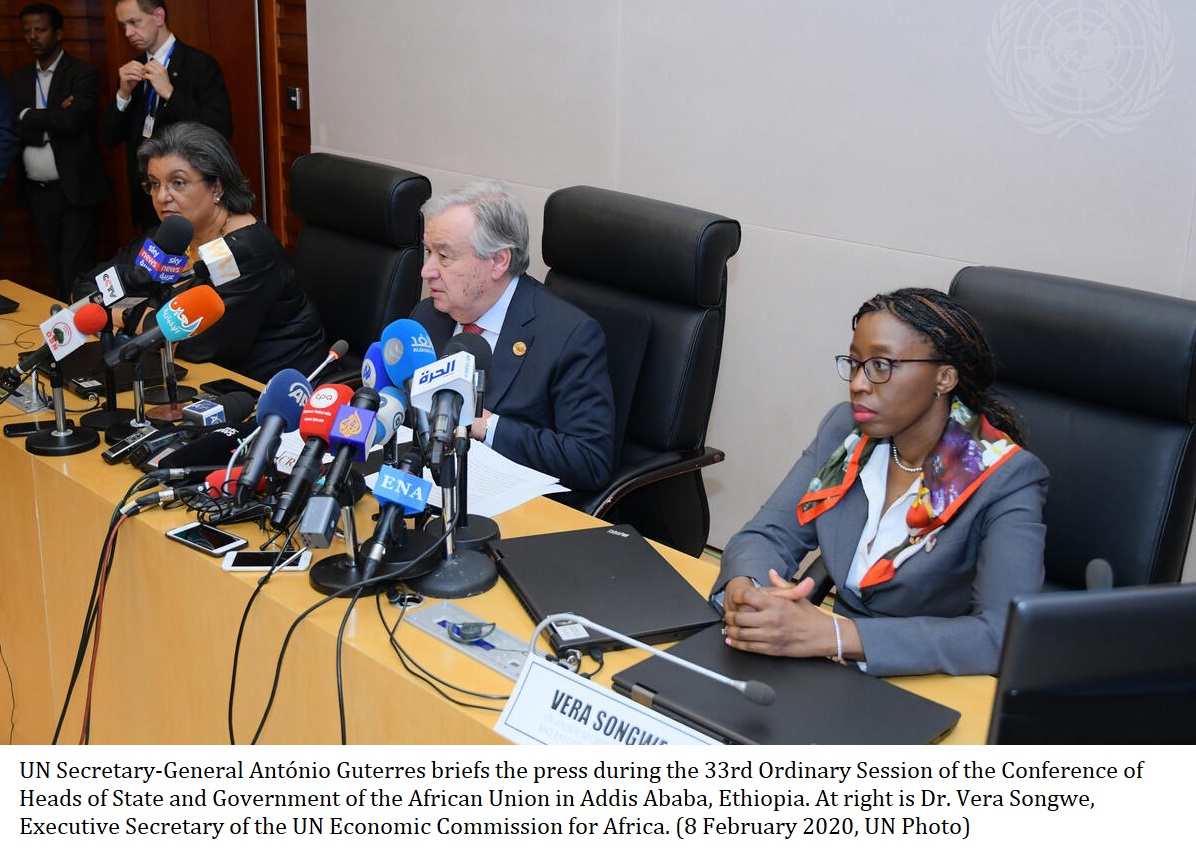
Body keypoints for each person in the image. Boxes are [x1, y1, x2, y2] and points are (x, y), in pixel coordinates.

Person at [712, 288, 1048, 677]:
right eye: (855, 364)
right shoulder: (845, 431)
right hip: (822, 667)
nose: (858, 383)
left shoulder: (1006, 477)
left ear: (944, 377)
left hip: (927, 679)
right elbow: (767, 536)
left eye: (880, 366)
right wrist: (746, 591)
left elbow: (1000, 636)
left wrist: (838, 635)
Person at [76, 122, 326, 382]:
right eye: (154, 183)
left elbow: (197, 345)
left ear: (216, 187)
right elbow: (87, 286)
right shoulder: (171, 237)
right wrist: (140, 321)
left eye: (178, 183)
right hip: (182, 376)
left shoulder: (245, 251)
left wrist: (122, 315)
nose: (161, 197)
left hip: (264, 388)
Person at [409, 180, 615, 491]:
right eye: (428, 251)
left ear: (498, 261)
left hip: (514, 504)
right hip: (431, 488)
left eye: (445, 256)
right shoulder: (427, 317)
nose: (427, 271)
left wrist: (485, 426)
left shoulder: (568, 337)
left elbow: (589, 460)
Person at [100, 0, 232, 232]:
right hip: (148, 195)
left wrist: (170, 93)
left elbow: (220, 130)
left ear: (159, 17)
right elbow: (109, 137)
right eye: (123, 26)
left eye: (134, 22)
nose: (128, 33)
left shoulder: (200, 64)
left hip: (189, 194)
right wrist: (123, 94)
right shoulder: (133, 69)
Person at [12, 3, 114, 301]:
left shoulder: (82, 73)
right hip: (38, 192)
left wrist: (29, 115)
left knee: (75, 268)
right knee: (55, 267)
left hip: (76, 191)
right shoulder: (18, 78)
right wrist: (54, 115)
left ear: (58, 32)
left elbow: (74, 121)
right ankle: (63, 322)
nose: (33, 36)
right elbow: (15, 126)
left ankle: (80, 323)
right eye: (27, 31)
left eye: (40, 29)